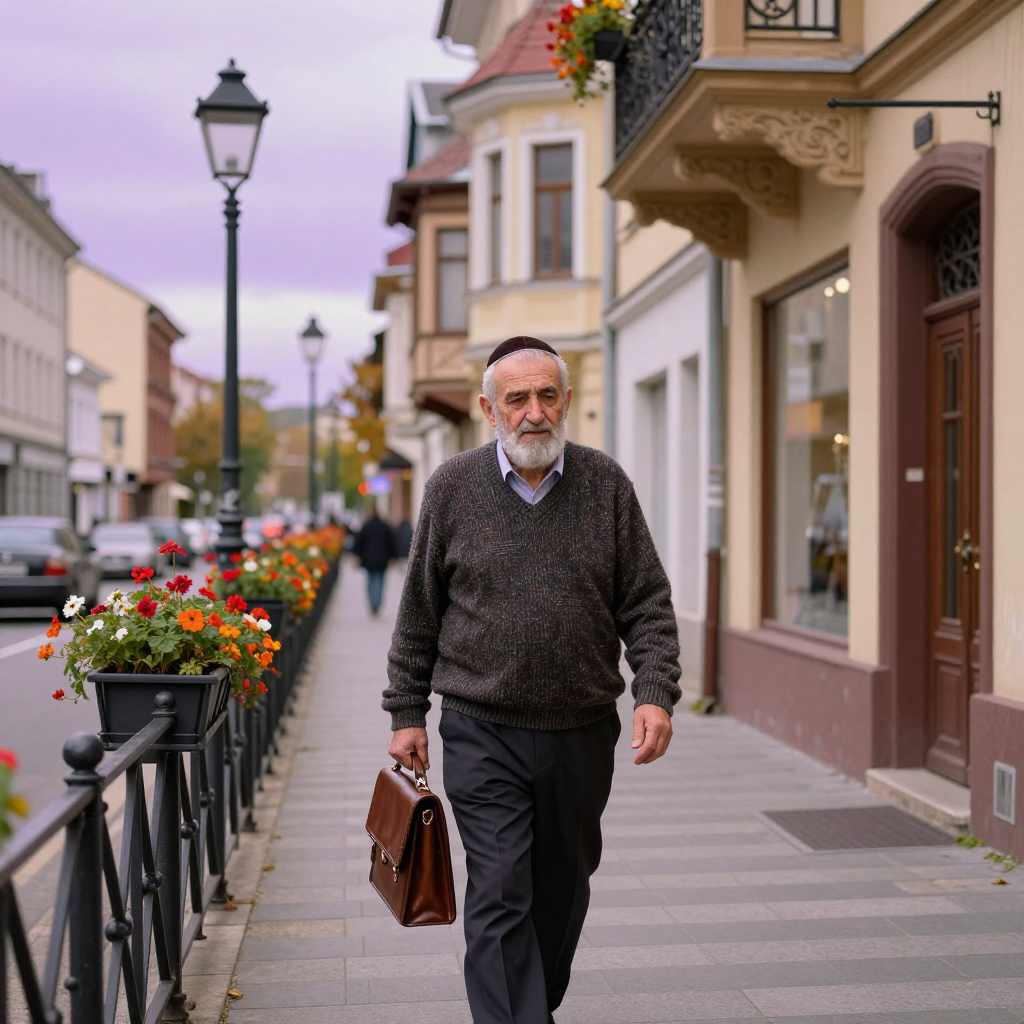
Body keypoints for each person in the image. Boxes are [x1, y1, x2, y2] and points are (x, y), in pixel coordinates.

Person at [383, 336, 681, 1024]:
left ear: (568, 402)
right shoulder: (452, 488)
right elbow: (418, 612)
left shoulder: (605, 484)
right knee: (498, 890)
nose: (534, 412)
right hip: (480, 728)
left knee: (562, 891)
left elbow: (647, 602)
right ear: (490, 409)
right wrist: (406, 713)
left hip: (581, 731)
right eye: (516, 399)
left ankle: (528, 1005)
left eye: (548, 395)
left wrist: (654, 693)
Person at [352, 505, 396, 616]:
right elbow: (392, 542)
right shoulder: (384, 526)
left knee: (370, 581)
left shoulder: (366, 526)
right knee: (380, 582)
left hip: (368, 560)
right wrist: (393, 557)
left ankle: (372, 603)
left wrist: (357, 555)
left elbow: (358, 542)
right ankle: (377, 603)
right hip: (382, 559)